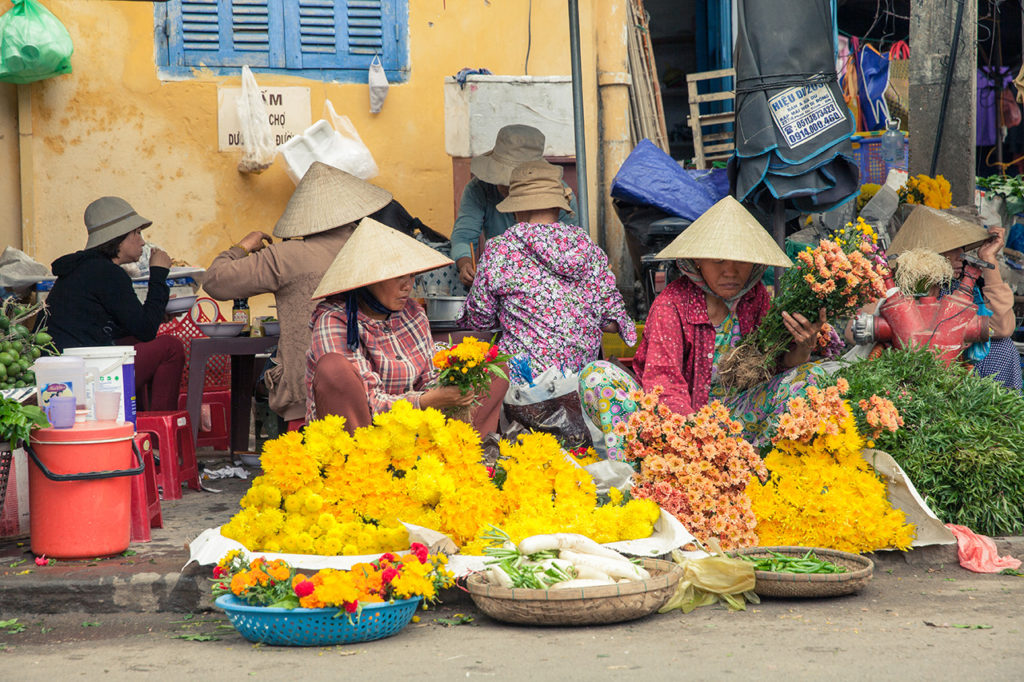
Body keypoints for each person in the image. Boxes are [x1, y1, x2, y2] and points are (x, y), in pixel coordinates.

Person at [581, 196, 826, 458]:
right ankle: (641, 475)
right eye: (718, 261)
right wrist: (696, 442)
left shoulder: (755, 299)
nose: (730, 271)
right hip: (674, 424)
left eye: (740, 261)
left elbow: (773, 369)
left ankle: (757, 467)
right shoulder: (671, 305)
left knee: (810, 376)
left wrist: (802, 347)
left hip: (734, 420)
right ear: (698, 260)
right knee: (596, 375)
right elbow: (663, 386)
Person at [203, 162, 433, 428]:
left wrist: (243, 246)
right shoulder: (379, 248)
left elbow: (216, 281)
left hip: (307, 398)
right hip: (388, 397)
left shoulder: (287, 257)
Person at [306, 217, 507, 435]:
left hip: (412, 429)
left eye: (411, 276)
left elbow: (429, 378)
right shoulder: (335, 321)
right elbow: (369, 402)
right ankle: (360, 465)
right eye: (398, 277)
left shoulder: (413, 314)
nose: (407, 286)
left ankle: (464, 454)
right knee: (333, 369)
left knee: (493, 369)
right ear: (368, 280)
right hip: (363, 436)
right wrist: (426, 401)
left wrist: (454, 385)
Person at [459, 160, 635, 381]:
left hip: (522, 383)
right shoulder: (588, 248)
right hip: (580, 380)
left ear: (516, 209)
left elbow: (479, 318)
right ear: (558, 206)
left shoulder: (501, 249)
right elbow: (612, 321)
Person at [46, 196, 185, 411]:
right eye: (137, 233)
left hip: (72, 365)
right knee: (171, 347)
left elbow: (108, 325)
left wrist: (157, 314)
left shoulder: (85, 269)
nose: (143, 241)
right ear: (119, 238)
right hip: (84, 373)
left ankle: (137, 421)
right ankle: (158, 430)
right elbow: (146, 330)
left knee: (134, 339)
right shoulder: (108, 273)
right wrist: (158, 274)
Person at [887, 205, 1020, 391]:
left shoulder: (957, 288)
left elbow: (1002, 328)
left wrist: (989, 259)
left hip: (959, 374)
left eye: (962, 249)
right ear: (928, 253)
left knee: (1003, 347)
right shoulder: (894, 287)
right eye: (952, 249)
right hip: (907, 373)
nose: (961, 256)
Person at [450, 124, 579, 287]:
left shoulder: (559, 195)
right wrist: (465, 263)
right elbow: (464, 235)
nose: (505, 186)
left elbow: (569, 249)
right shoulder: (478, 189)